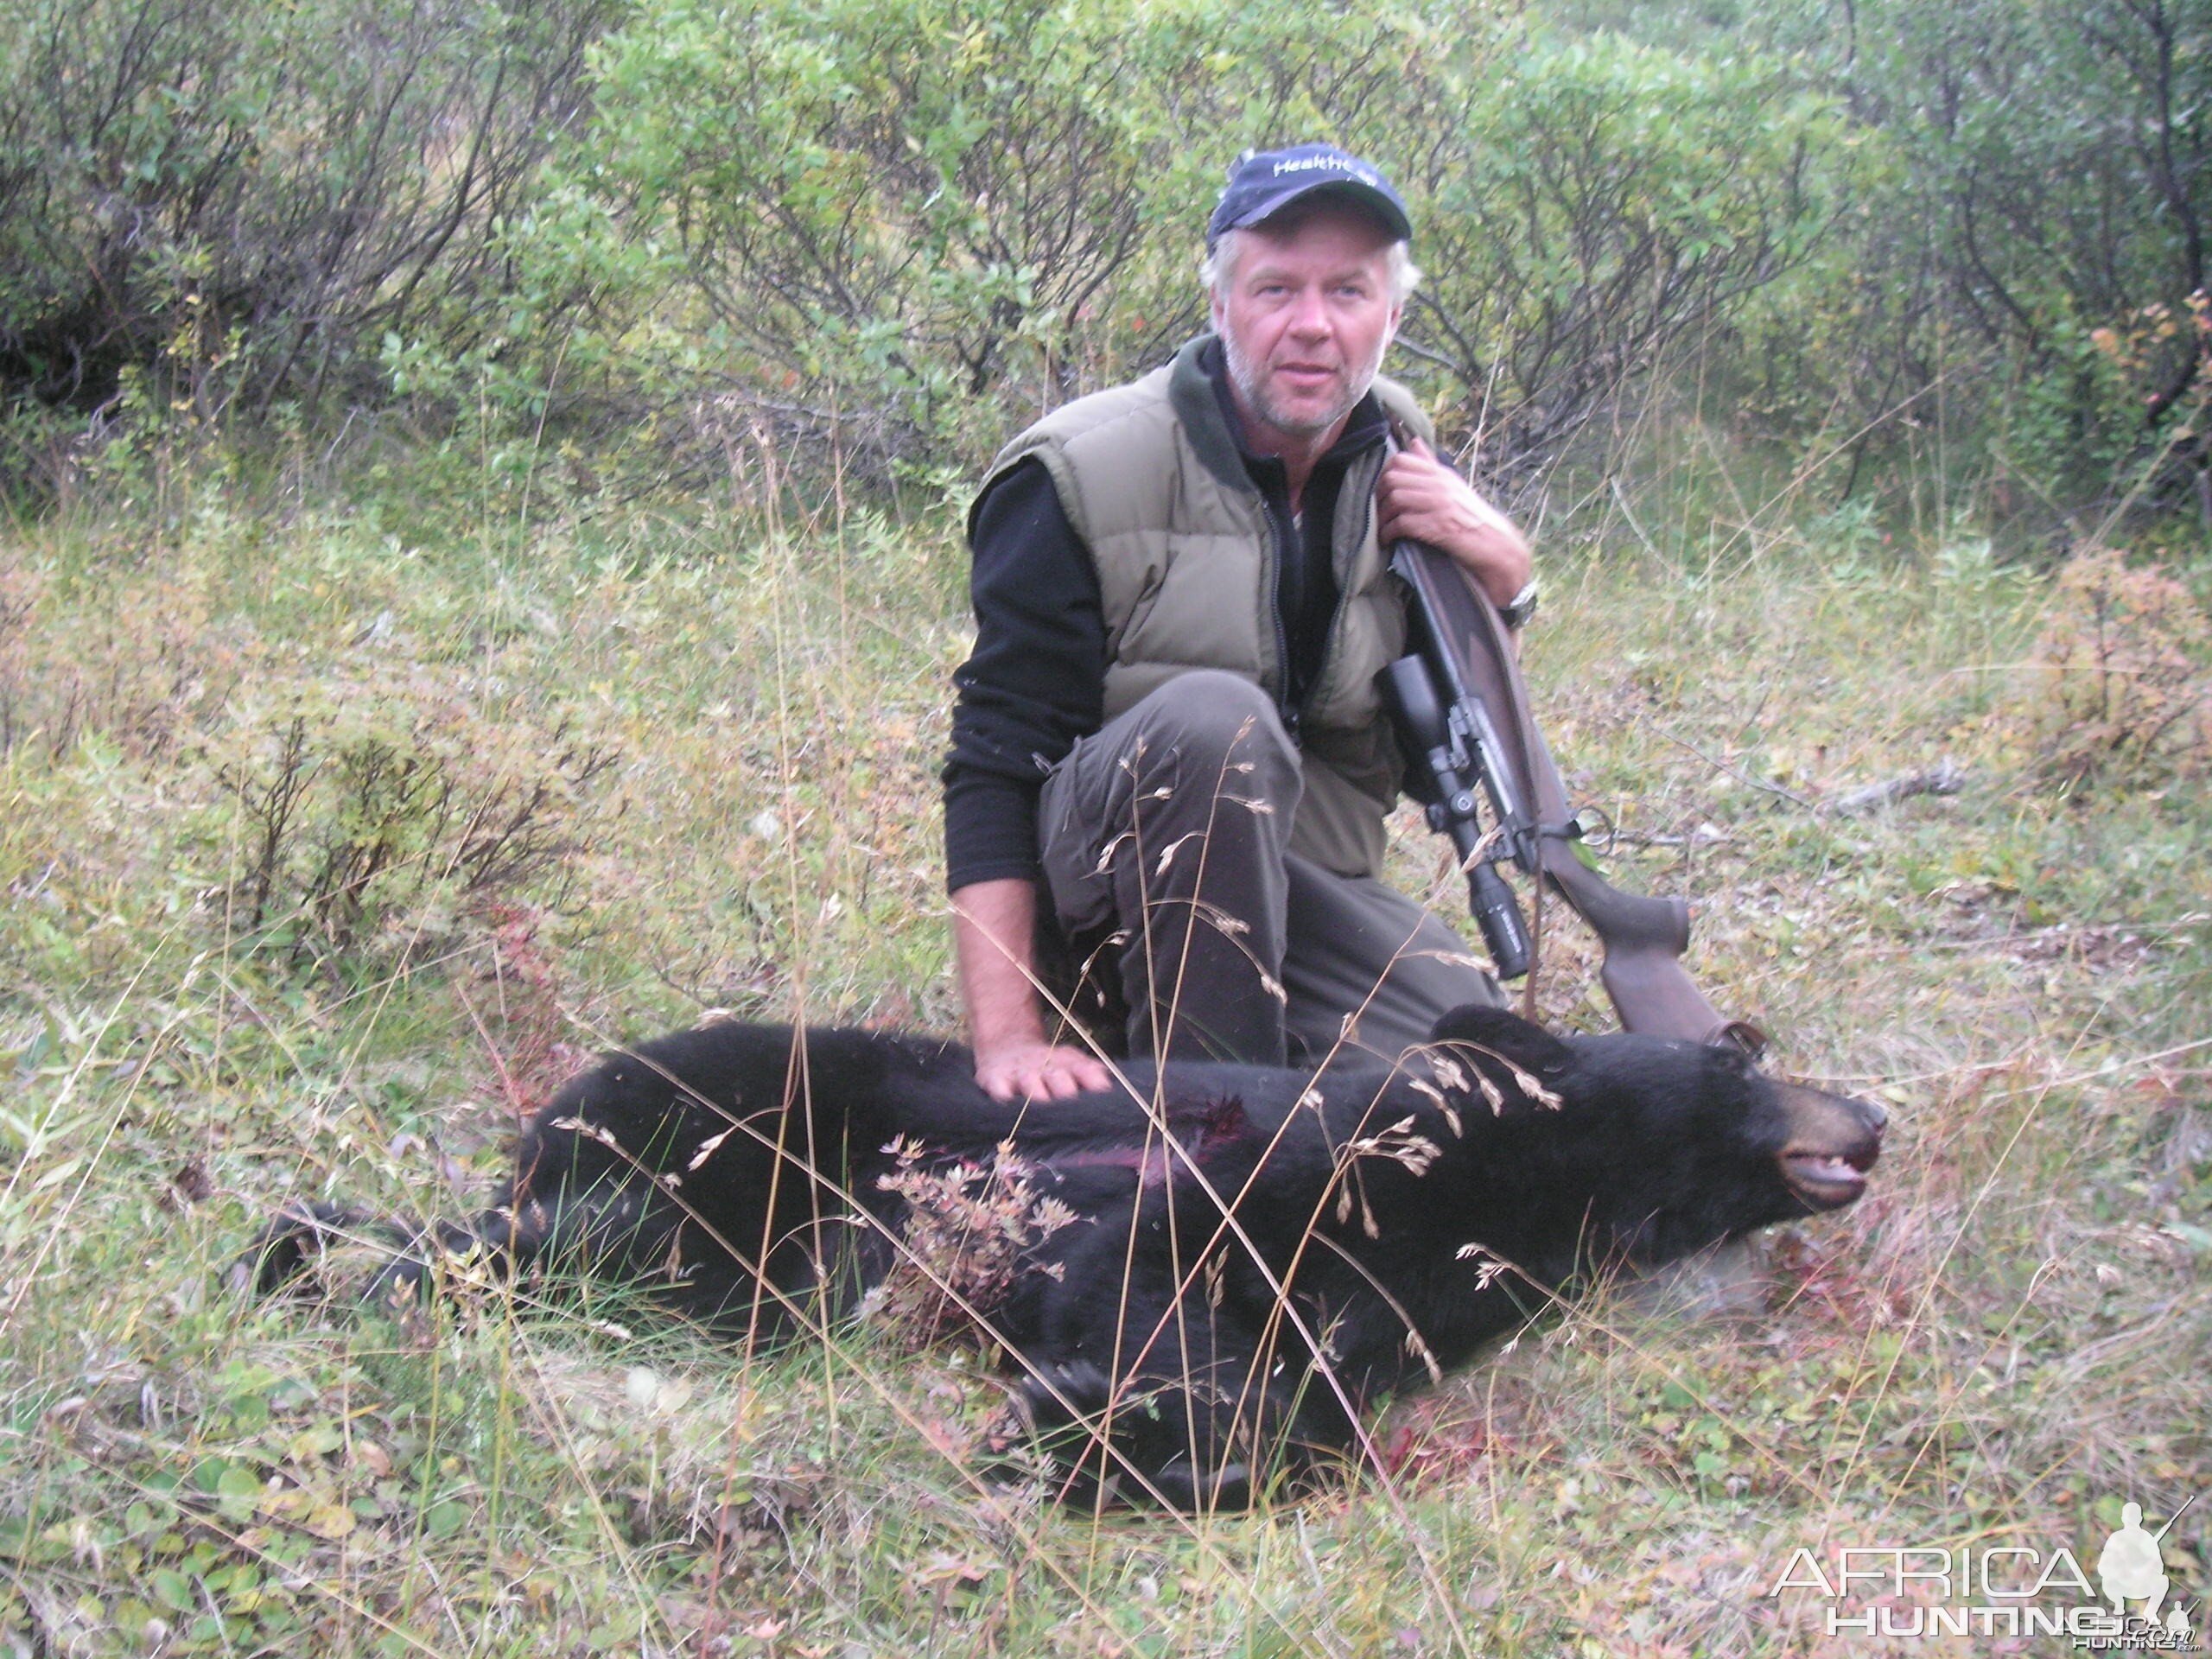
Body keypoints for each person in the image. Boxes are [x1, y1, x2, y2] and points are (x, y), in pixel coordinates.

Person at [944, 144, 1536, 1102]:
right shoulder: (1079, 472)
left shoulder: (1399, 452)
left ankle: (1260, 1077)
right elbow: (994, 762)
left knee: (1485, 1090)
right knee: (1215, 721)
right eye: (1275, 291)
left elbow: (1454, 726)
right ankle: (1212, 1136)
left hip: (1308, 893)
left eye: (1347, 292)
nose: (1312, 327)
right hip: (1101, 906)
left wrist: (1506, 582)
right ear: (1219, 303)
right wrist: (1006, 1039)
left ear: (1392, 315)